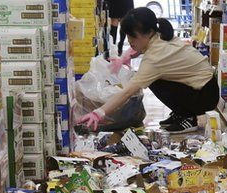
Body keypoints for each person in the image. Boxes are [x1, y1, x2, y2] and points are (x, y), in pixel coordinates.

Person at [78, 7, 219, 134]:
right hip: (207, 87)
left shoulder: (155, 58)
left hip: (205, 96)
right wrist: (125, 57)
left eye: (133, 37)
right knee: (151, 79)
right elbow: (138, 47)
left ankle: (189, 117)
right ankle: (182, 112)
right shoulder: (161, 35)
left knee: (151, 81)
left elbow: (127, 92)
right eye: (128, 36)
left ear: (149, 32)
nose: (130, 41)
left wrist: (98, 113)